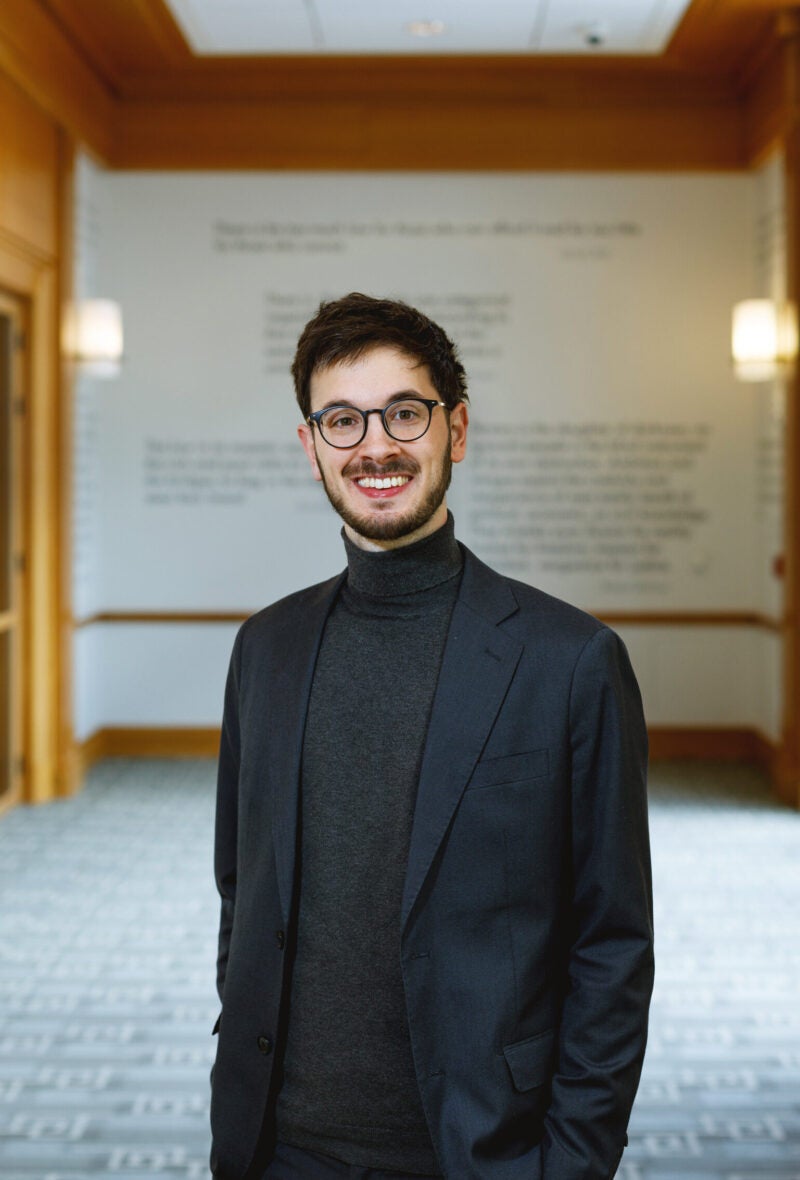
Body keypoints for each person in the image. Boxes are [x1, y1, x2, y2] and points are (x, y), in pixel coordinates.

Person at [210, 293, 654, 1180]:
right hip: (277, 1149)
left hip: (480, 1153)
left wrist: (571, 1164)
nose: (374, 446)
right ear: (311, 447)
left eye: (403, 413)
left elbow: (613, 944)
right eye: (343, 420)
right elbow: (241, 893)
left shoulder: (571, 660)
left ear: (456, 429)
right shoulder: (266, 648)